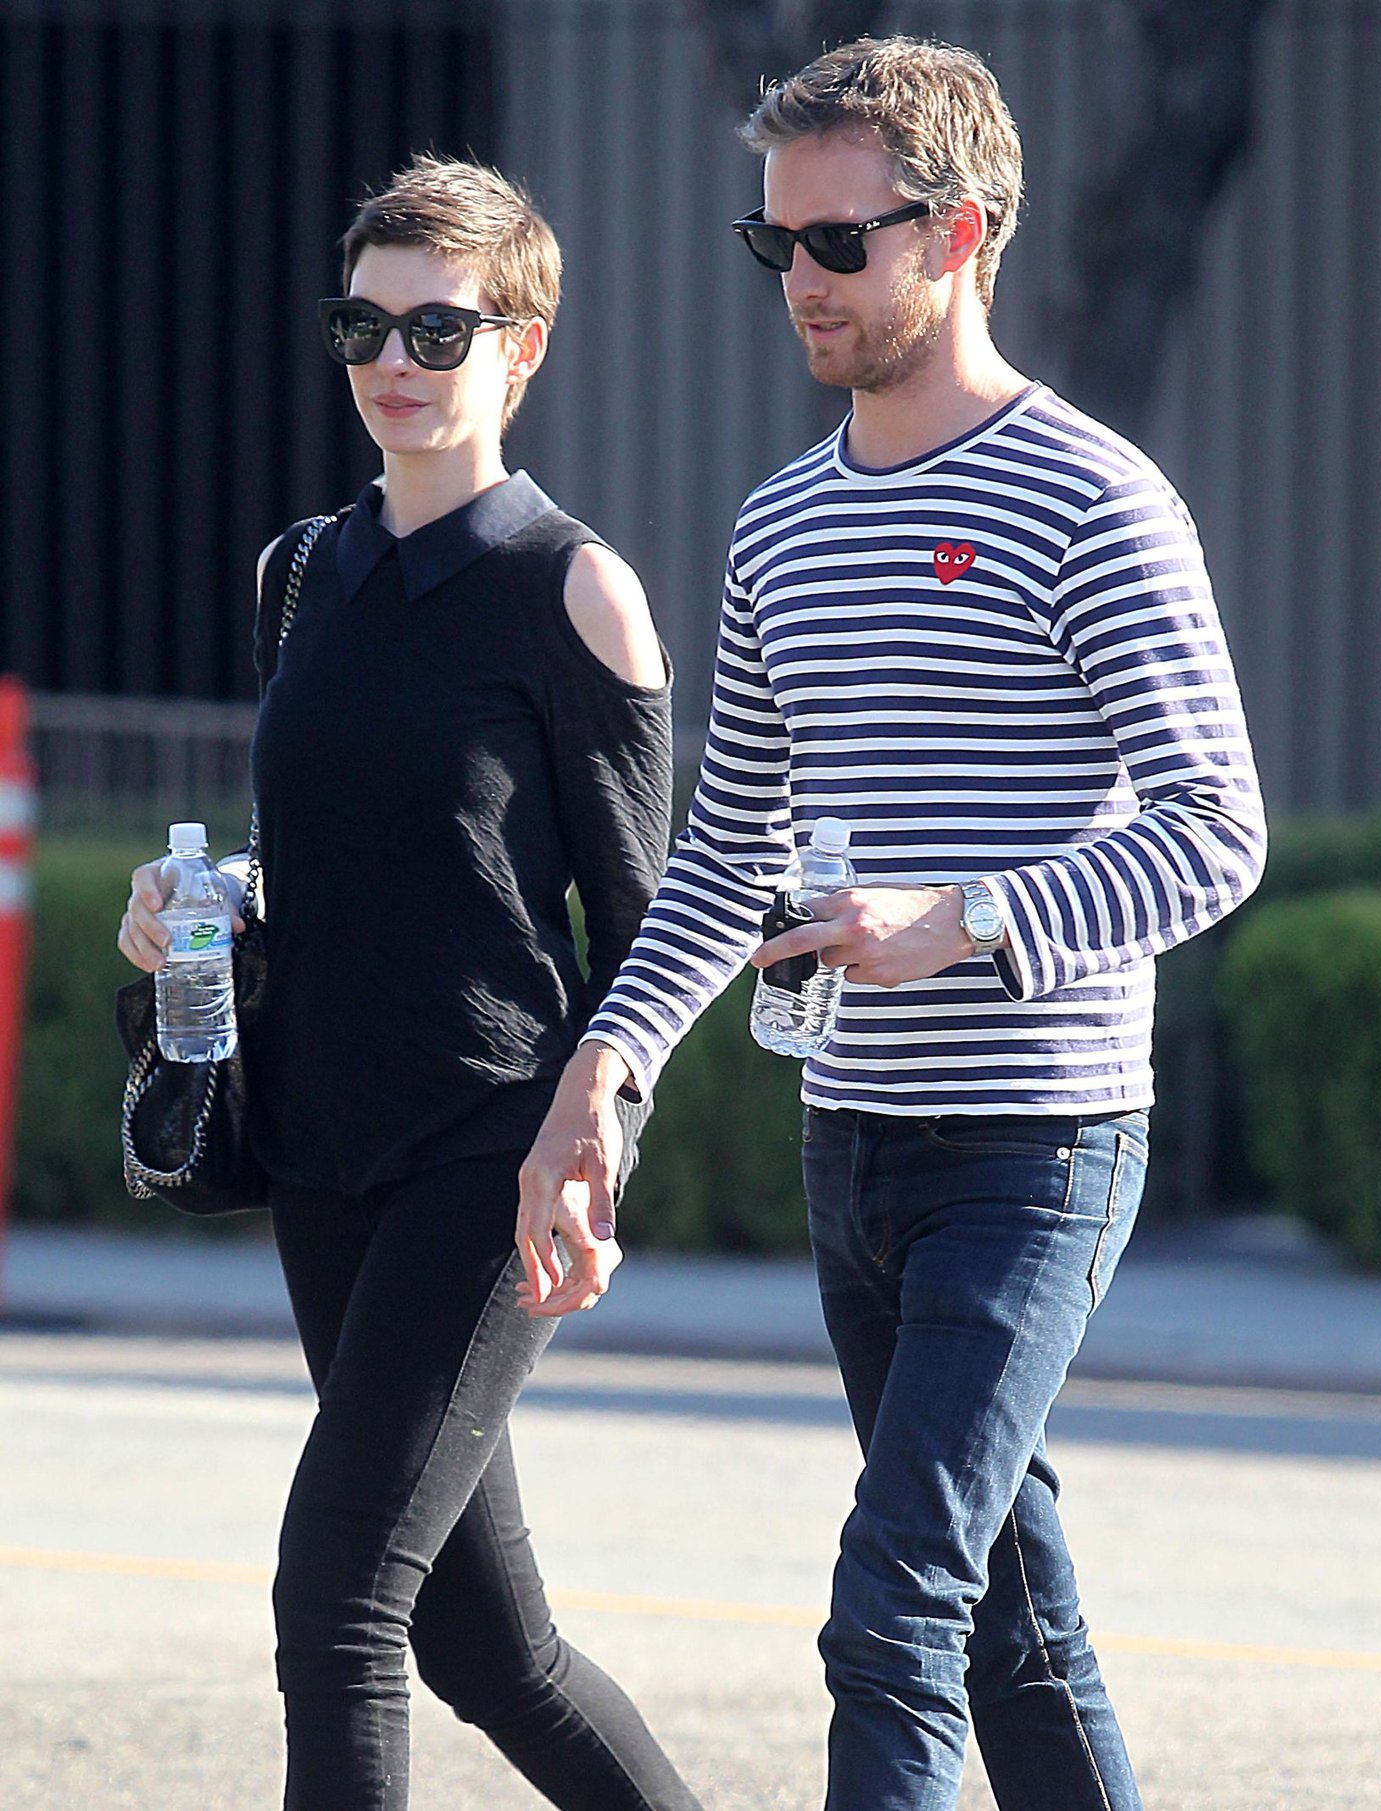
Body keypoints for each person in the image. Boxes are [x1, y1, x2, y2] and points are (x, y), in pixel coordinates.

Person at [517, 36, 1267, 1811]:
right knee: (1007, 1623)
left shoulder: (1093, 498)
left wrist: (966, 917)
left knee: (893, 1614)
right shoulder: (779, 527)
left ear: (963, 233)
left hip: (1036, 1144)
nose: (801, 278)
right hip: (848, 1138)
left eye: (839, 242)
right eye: (773, 242)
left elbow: (1216, 833)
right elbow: (724, 853)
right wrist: (604, 1069)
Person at [117, 154, 701, 1811]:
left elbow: (646, 925)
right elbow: (313, 851)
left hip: (485, 1152)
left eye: (438, 328)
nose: (394, 359)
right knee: (486, 1649)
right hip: (323, 1148)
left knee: (337, 1606)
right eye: (362, 325)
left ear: (522, 347)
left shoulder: (573, 588)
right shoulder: (300, 572)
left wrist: (592, 1153)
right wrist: (187, 905)